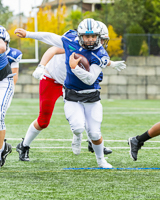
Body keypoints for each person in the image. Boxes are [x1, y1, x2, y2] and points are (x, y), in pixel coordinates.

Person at [15, 18, 126, 168]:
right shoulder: (71, 41)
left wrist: (111, 63)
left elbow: (96, 59)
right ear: (82, 37)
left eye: (98, 38)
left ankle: (93, 143)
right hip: (54, 80)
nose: (96, 42)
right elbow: (53, 46)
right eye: (91, 37)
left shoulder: (97, 49)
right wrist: (40, 64)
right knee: (44, 120)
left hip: (74, 85)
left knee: (88, 115)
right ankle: (24, 145)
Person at [0, 26, 22, 168]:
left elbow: (2, 48)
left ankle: (0, 150)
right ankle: (4, 147)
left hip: (3, 80)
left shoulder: (10, 52)